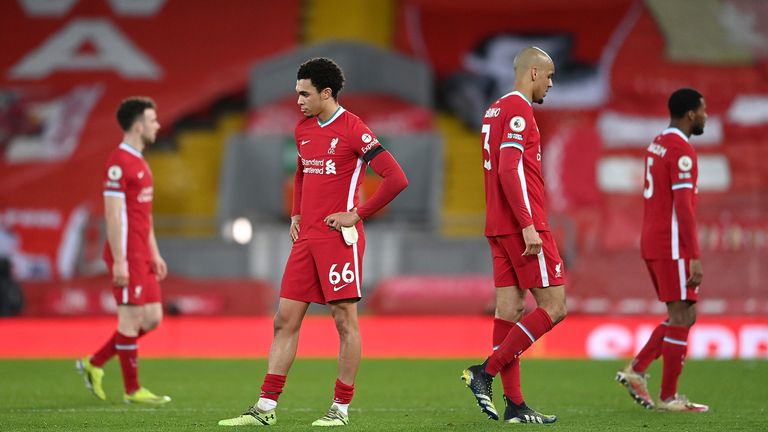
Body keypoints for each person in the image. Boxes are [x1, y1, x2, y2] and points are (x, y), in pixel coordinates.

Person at [219, 58, 408, 427]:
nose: (299, 101)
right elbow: (303, 172)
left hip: (340, 239)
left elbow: (396, 178)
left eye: (305, 94)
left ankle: (340, 408)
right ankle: (265, 408)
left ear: (326, 93)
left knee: (344, 321)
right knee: (284, 320)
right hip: (307, 238)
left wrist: (358, 213)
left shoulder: (354, 129)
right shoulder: (303, 129)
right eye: (297, 93)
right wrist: (296, 214)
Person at [461, 47, 567, 424]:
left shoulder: (493, 110)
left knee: (509, 312)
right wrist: (527, 224)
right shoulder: (520, 109)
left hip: (496, 225)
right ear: (533, 73)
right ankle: (484, 373)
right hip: (523, 226)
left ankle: (515, 405)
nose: (552, 84)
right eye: (550, 76)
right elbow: (509, 169)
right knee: (554, 306)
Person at [615, 88, 709, 412]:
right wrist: (694, 254)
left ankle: (638, 369)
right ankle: (668, 397)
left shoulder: (657, 143)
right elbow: (683, 207)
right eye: (703, 110)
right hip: (671, 244)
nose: (707, 116)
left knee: (685, 315)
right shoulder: (681, 151)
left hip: (654, 240)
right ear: (691, 114)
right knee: (682, 316)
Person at [76, 97, 171, 405]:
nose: (157, 125)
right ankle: (133, 390)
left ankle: (94, 362)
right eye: (153, 120)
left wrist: (154, 253)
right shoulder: (119, 162)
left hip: (143, 253)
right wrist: (119, 261)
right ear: (138, 124)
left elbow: (146, 214)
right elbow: (113, 214)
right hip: (127, 253)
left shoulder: (141, 161)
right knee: (129, 321)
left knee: (153, 318)